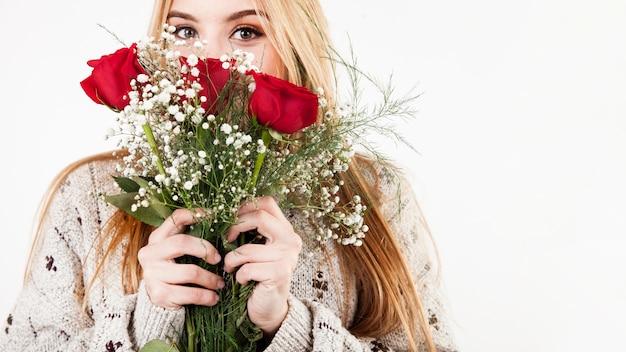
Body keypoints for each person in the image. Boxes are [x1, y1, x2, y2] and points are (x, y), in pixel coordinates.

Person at [1, 0, 458, 351]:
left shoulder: (373, 195)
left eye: (245, 31)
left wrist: (289, 326)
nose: (210, 59)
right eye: (184, 31)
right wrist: (146, 323)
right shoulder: (89, 195)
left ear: (296, 45)